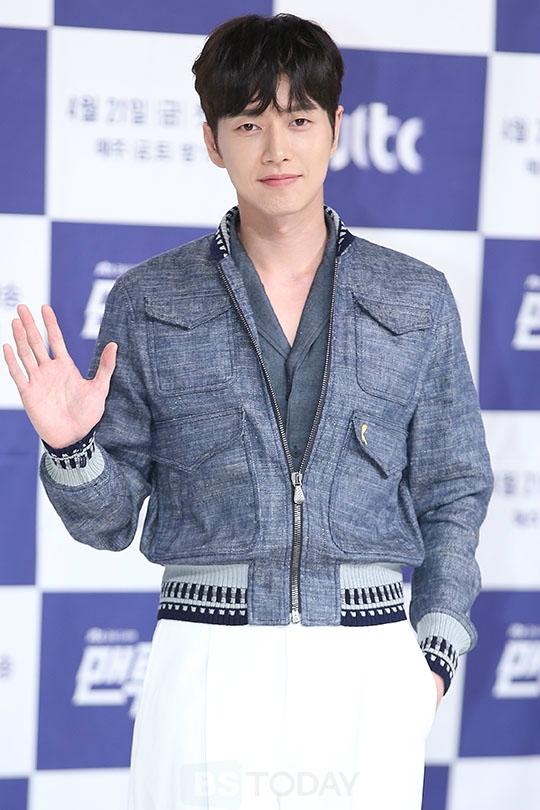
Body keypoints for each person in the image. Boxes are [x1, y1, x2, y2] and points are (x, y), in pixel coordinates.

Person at [3, 12, 494, 810]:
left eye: (299, 120)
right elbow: (108, 522)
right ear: (211, 140)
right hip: (206, 660)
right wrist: (71, 448)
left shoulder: (416, 297)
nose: (276, 150)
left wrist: (433, 653)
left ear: (335, 128)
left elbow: (454, 488)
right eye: (248, 124)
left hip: (369, 665)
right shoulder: (149, 299)